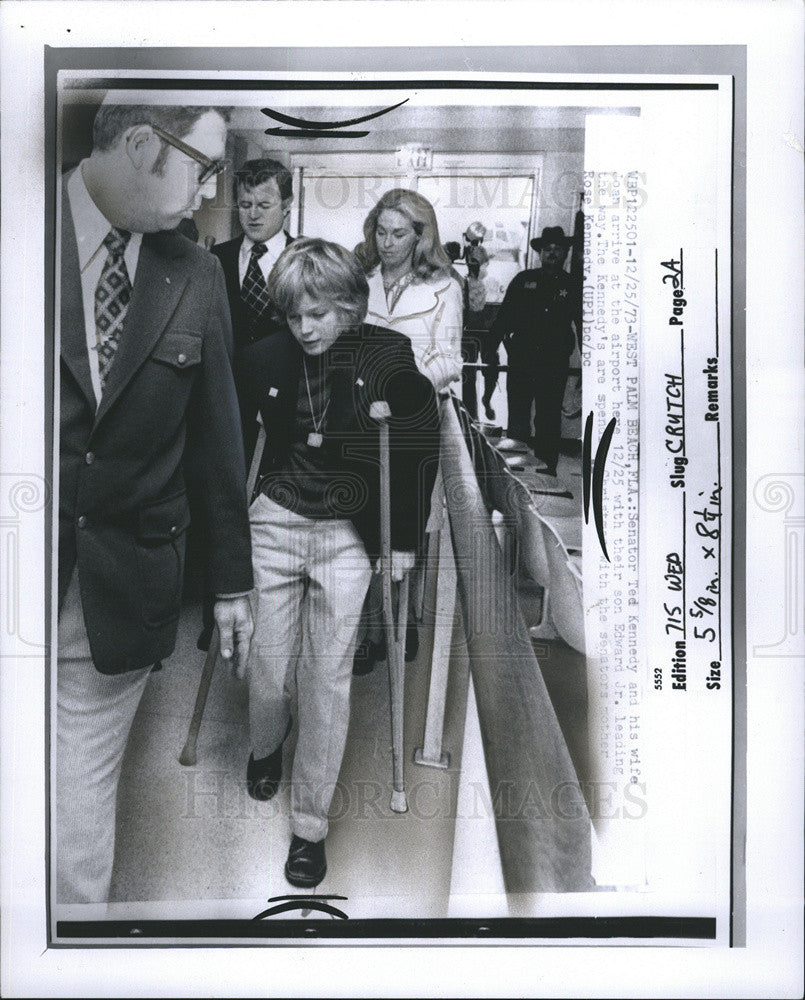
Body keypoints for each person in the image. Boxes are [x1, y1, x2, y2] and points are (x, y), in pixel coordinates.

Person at [57, 102, 254, 904]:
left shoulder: (194, 271)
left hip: (123, 580)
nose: (210, 193)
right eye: (202, 167)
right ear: (141, 145)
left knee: (76, 801)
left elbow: (217, 437)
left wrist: (232, 583)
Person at [237, 238, 439, 888]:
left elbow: (415, 448)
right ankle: (266, 743)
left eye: (319, 314)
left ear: (350, 305)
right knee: (267, 665)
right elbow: (237, 441)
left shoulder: (387, 355)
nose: (306, 328)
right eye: (295, 315)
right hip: (274, 517)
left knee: (326, 677)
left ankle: (308, 828)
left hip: (350, 530)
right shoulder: (265, 355)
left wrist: (402, 539)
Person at [353, 188, 463, 672]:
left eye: (400, 233)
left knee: (407, 525)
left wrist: (405, 390)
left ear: (421, 237)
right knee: (360, 522)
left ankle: (402, 622)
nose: (389, 242)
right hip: (360, 416)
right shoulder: (360, 279)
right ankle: (364, 633)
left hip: (415, 419)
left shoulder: (445, 287)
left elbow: (449, 357)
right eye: (381, 231)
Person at [192, 158, 294, 652]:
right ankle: (220, 605)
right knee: (223, 498)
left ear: (288, 205)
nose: (253, 214)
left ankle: (269, 610)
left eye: (265, 204)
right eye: (246, 204)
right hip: (223, 401)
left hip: (285, 407)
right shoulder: (214, 259)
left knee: (269, 505)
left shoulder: (302, 259)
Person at [490, 225, 578, 476]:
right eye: (547, 249)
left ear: (565, 253)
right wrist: (491, 351)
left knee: (548, 421)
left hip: (554, 364)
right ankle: (515, 474)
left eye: (557, 249)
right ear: (540, 253)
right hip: (522, 361)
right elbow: (503, 317)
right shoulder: (523, 280)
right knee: (517, 421)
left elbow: (584, 325)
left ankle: (547, 475)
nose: (552, 254)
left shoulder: (572, 286)